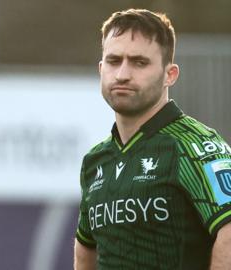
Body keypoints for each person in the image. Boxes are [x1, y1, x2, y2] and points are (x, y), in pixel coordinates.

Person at [74, 9, 231, 269]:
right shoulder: (95, 161)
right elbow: (85, 247)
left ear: (170, 74)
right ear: (101, 69)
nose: (122, 74)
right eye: (114, 61)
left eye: (139, 62)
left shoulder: (194, 146)